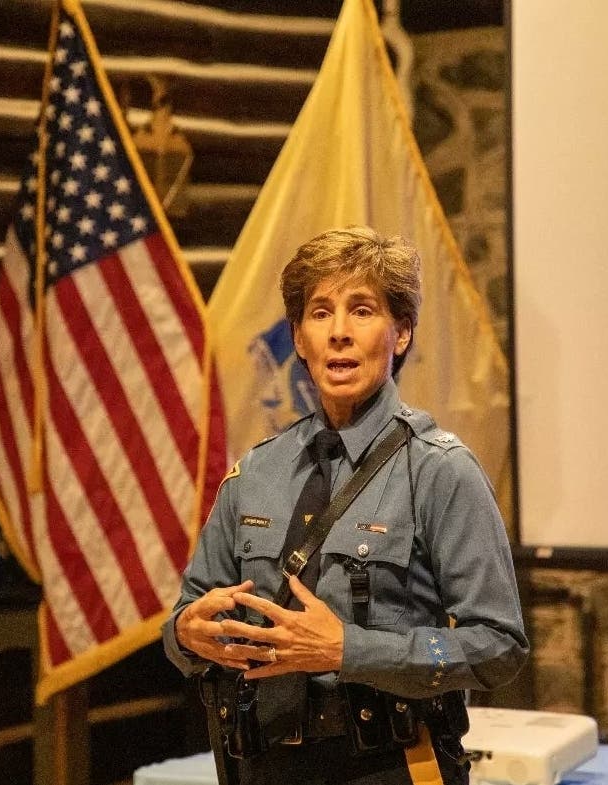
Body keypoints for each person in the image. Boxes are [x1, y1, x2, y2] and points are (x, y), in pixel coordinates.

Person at [163, 226, 528, 785]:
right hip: (263, 764)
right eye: (320, 313)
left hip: (390, 765)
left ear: (400, 333)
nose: (338, 333)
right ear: (299, 338)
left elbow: (498, 647)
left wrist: (349, 650)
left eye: (362, 310)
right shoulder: (255, 473)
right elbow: (185, 617)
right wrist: (189, 634)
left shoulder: (439, 470)